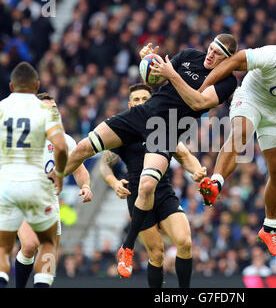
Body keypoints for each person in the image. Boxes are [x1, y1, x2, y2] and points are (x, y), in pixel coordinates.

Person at [61, 34, 238, 270]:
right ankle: (49, 181)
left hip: (165, 131)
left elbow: (197, 103)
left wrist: (171, 74)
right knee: (83, 147)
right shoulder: (188, 56)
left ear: (228, 60)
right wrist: (149, 63)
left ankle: (127, 247)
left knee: (146, 186)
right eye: (211, 48)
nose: (210, 54)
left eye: (218, 54)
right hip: (144, 113)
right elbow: (155, 81)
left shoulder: (227, 81)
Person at [197, 28, 276, 258]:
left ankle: (269, 228)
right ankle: (215, 183)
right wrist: (203, 89)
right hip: (250, 98)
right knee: (241, 134)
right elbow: (233, 61)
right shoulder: (269, 54)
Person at [99, 83, 206, 287]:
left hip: (164, 192)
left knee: (185, 243)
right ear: (131, 105)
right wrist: (113, 183)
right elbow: (104, 165)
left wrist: (198, 170)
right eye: (137, 100)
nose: (141, 103)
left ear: (153, 102)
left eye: (145, 99)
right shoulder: (122, 130)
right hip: (138, 197)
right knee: (156, 254)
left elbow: (184, 155)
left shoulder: (162, 128)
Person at [14, 92, 93, 288]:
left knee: (47, 259)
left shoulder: (66, 141)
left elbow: (80, 170)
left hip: (49, 203)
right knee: (31, 244)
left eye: (54, 109)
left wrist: (85, 186)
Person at [0, 62, 68, 288]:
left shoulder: (2, 108)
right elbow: (60, 147)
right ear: (37, 85)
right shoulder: (44, 112)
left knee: (5, 247)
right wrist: (58, 174)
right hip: (34, 186)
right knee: (48, 243)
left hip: (7, 186)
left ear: (11, 86)